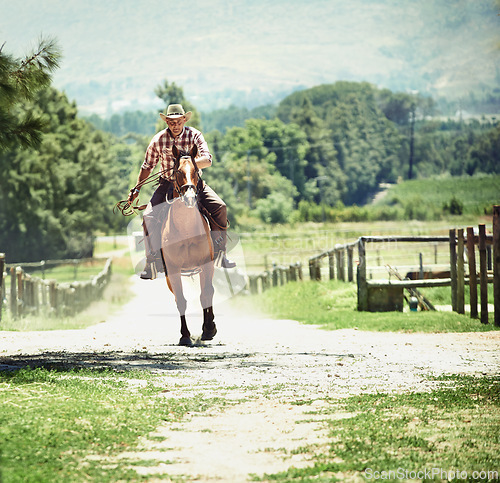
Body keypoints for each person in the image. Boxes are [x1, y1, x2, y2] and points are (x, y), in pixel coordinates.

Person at [127, 103, 235, 279]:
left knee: (220, 207)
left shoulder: (195, 135)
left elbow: (207, 160)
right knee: (148, 216)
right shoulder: (158, 140)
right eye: (171, 122)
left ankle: (220, 251)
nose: (175, 125)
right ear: (167, 122)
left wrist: (185, 166)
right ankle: (152, 260)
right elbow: (147, 166)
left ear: (184, 120)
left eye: (178, 121)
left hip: (193, 182)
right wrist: (136, 189)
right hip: (167, 184)